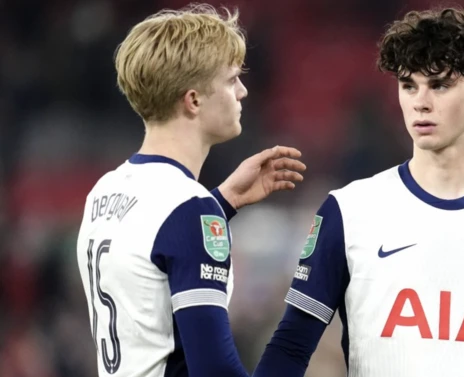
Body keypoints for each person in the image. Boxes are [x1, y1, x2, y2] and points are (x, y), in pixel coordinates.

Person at [253, 7, 464, 377]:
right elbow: (291, 347)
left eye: (439, 85)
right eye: (408, 85)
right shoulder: (350, 210)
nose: (420, 101)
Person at [75, 4, 305, 377]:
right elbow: (214, 369)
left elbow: (154, 247)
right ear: (194, 100)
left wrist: (223, 201)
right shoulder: (188, 210)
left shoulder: (105, 190)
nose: (243, 91)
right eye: (232, 80)